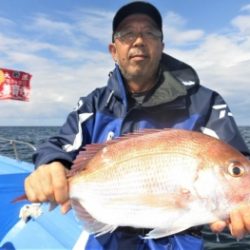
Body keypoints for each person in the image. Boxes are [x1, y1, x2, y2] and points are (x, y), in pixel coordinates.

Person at [25, 1, 250, 249]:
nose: (139, 40)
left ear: (161, 46)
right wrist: (50, 165)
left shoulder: (205, 103)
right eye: (127, 34)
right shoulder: (94, 104)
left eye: (150, 33)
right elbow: (59, 145)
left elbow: (239, 158)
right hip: (106, 240)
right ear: (114, 50)